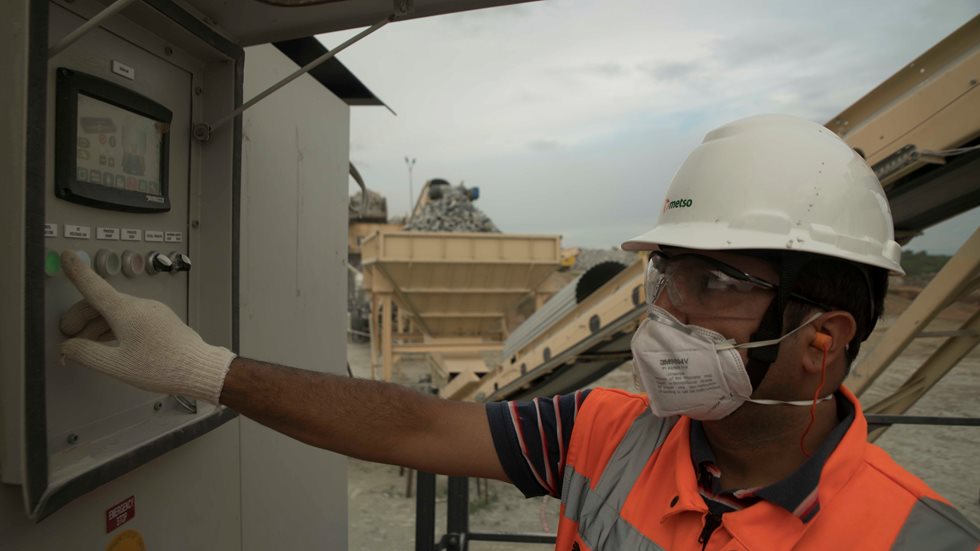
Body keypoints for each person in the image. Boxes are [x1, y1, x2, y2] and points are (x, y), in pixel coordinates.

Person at [59, 115, 980, 550]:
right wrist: (201, 366)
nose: (665, 312)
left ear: (821, 339)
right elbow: (412, 424)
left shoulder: (917, 539)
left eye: (714, 284)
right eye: (666, 277)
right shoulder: (607, 431)